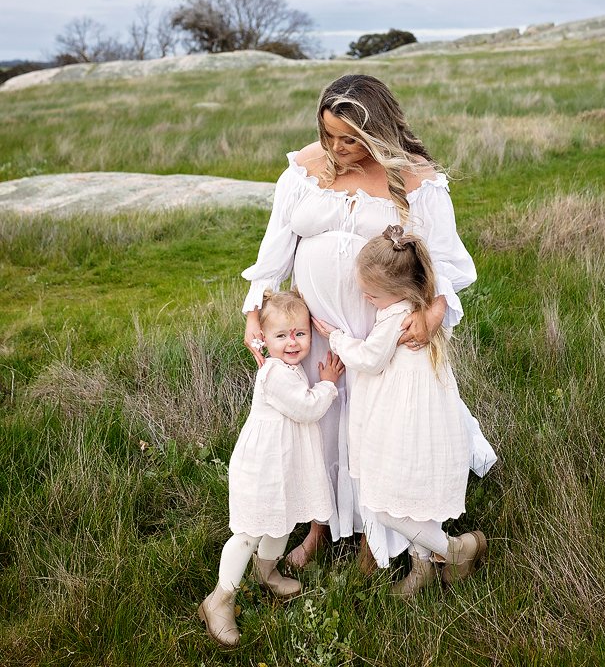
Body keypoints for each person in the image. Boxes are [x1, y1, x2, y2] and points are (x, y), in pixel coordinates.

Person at [242, 73, 496, 569]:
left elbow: (442, 267)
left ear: (378, 131)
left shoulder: (415, 180)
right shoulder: (302, 172)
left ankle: (372, 536)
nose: (337, 148)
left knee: (375, 434)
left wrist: (432, 315)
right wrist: (255, 313)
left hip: (380, 338)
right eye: (328, 134)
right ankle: (318, 526)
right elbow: (272, 257)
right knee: (319, 426)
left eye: (351, 140)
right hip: (316, 332)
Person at [313, 225, 487, 597]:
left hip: (402, 418)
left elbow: (370, 359)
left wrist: (336, 338)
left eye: (371, 294)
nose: (364, 297)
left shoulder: (396, 317)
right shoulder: (416, 308)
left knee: (386, 504)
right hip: (413, 414)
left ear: (398, 292)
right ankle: (422, 567)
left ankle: (456, 550)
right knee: (410, 499)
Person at [198, 290, 345, 648]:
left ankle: (266, 572)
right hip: (262, 468)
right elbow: (307, 409)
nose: (292, 342)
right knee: (250, 531)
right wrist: (327, 383)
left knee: (282, 521)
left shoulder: (289, 368)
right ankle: (219, 599)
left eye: (300, 333)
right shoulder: (275, 375)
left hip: (284, 466)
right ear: (265, 339)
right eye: (281, 335)